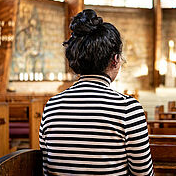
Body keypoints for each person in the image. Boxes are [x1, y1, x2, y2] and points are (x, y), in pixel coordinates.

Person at [39, 9, 154, 175]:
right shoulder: (128, 110)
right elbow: (143, 174)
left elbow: (46, 170)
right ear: (115, 60)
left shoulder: (52, 107)